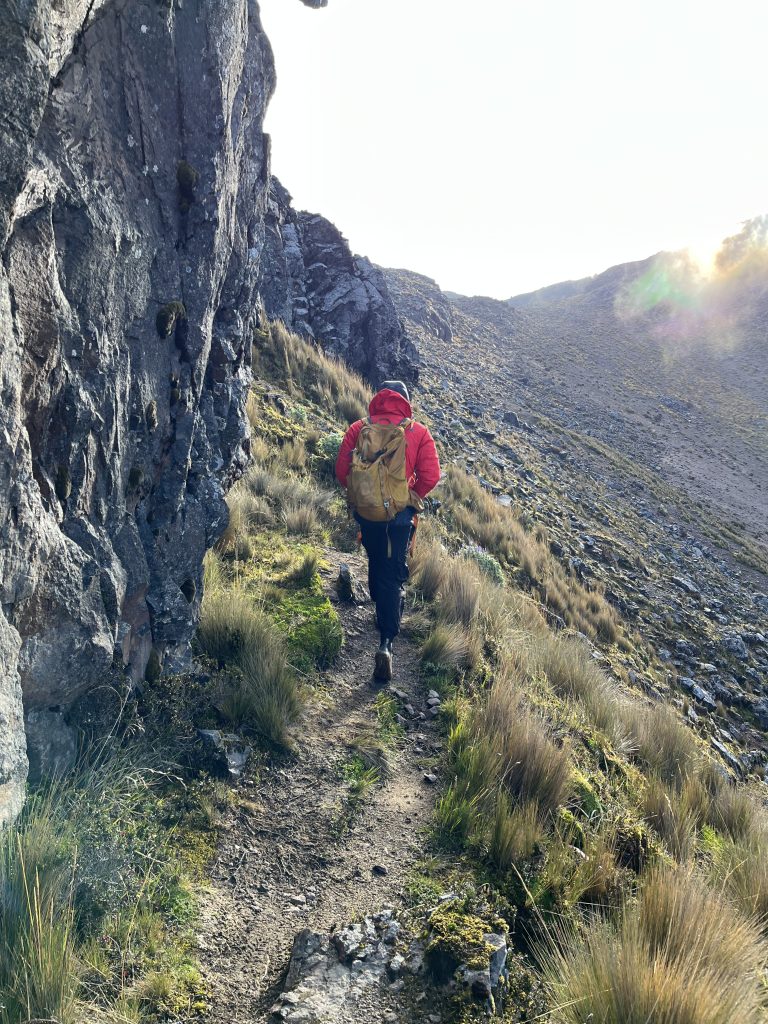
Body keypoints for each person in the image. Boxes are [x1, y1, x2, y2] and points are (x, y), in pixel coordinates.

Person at [335, 381, 441, 681]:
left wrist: (365, 497)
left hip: (368, 515)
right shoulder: (417, 431)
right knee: (394, 574)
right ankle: (386, 643)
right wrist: (406, 499)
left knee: (376, 562)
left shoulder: (359, 427)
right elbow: (431, 475)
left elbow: (342, 472)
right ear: (405, 401)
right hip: (398, 518)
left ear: (378, 399)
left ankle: (381, 612)